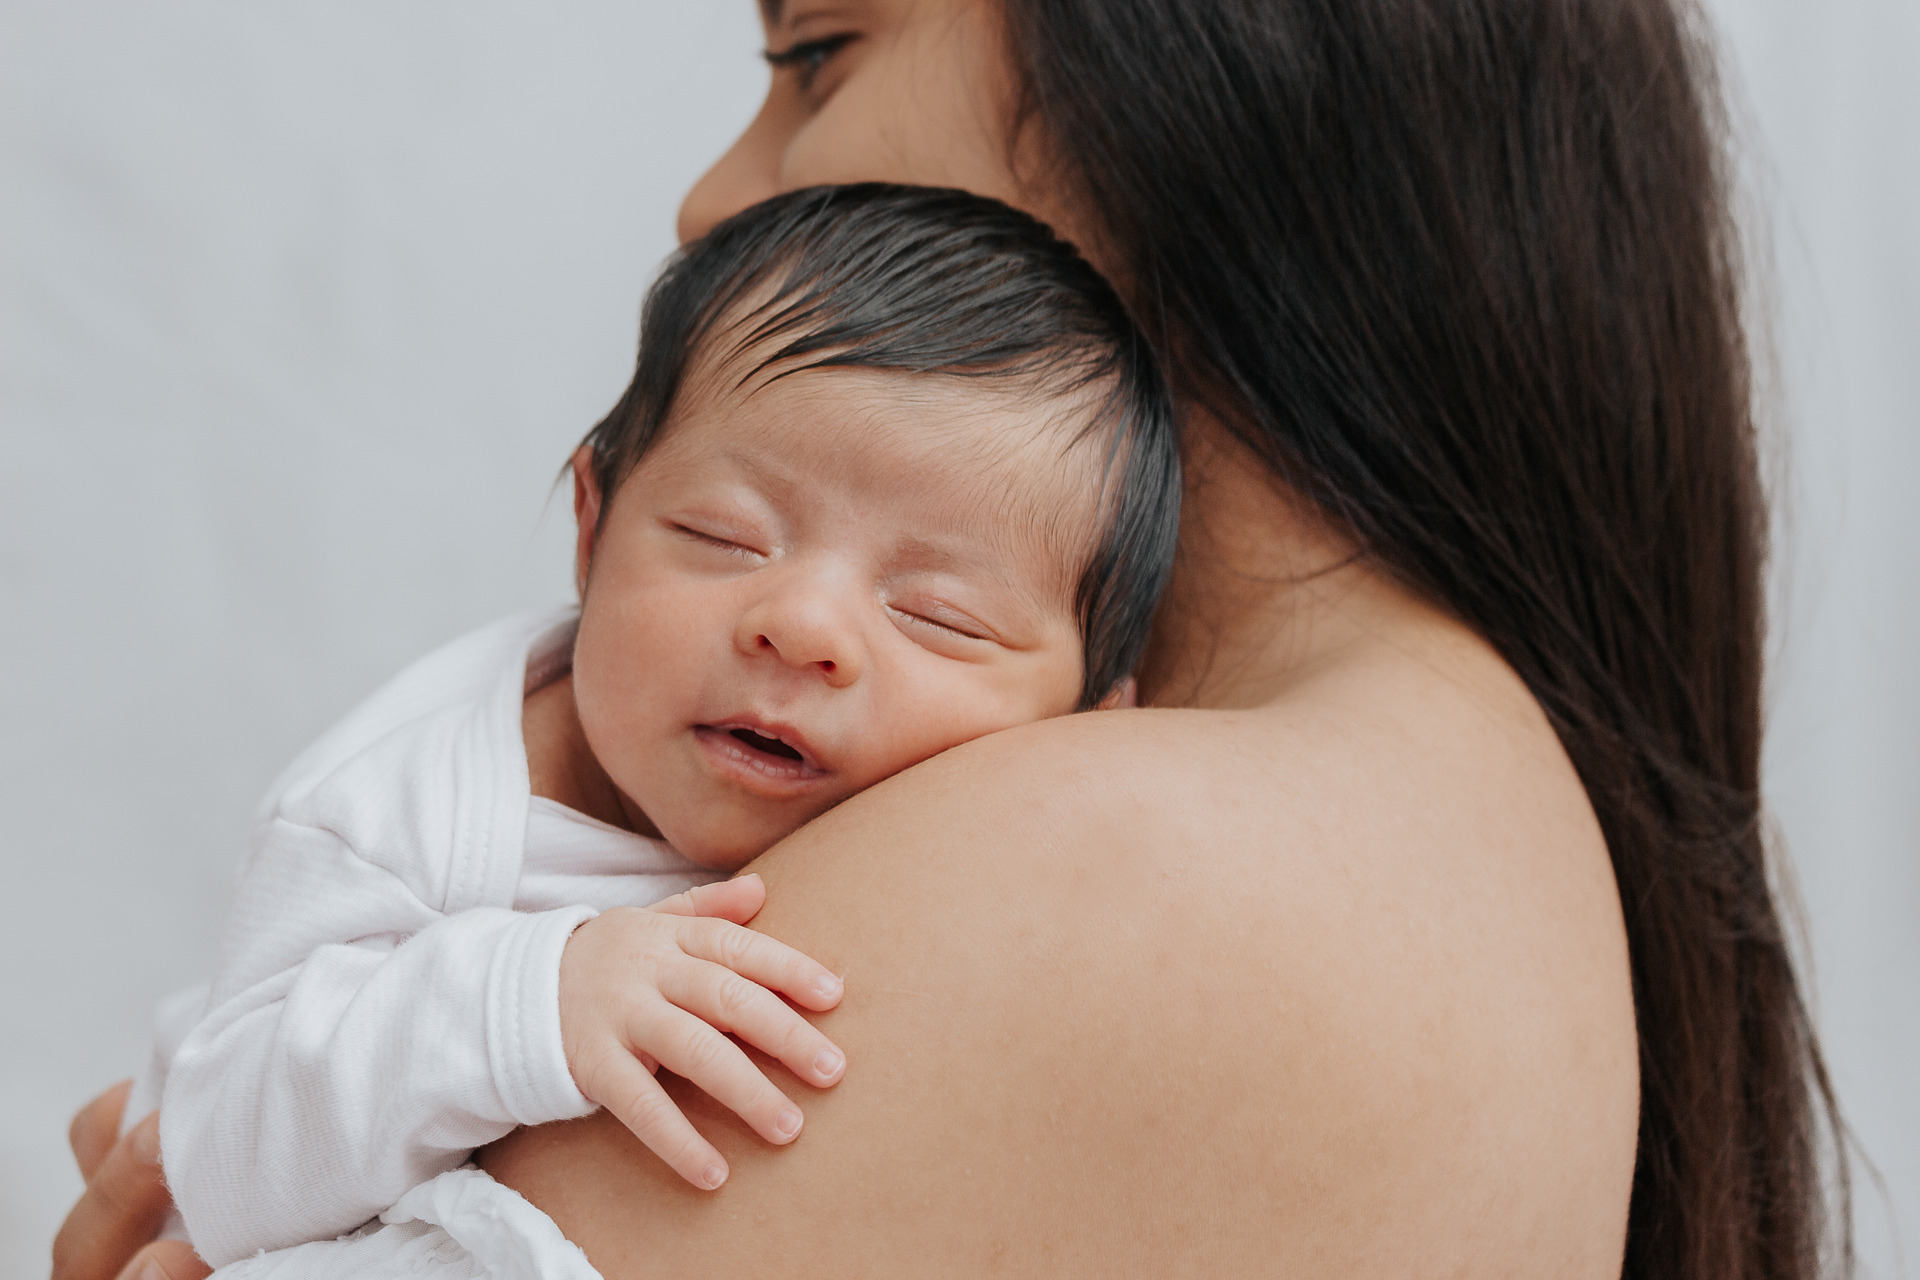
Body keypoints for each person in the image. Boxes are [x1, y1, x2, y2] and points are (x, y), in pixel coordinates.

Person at [55, 0, 1850, 1278]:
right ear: (598, 513)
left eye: (814, 54)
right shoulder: (1471, 816)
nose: (713, 195)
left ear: (1208, 57)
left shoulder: (1138, 852)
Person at [118, 183, 1179, 1268]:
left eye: (936, 614)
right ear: (592, 527)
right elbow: (212, 1161)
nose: (803, 624)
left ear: (1094, 724)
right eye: (726, 536)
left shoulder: (1060, 885)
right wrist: (524, 997)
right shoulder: (406, 815)